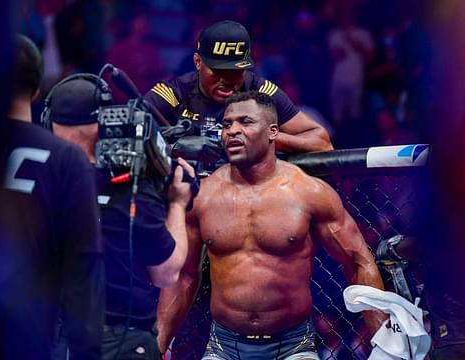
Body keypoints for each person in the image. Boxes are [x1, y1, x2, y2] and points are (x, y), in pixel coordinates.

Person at [156, 91, 386, 359]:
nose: (233, 131)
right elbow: (183, 276)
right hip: (224, 346)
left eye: (245, 122)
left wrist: (382, 340)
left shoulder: (309, 192)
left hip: (293, 346)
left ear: (273, 131)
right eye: (227, 124)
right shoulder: (203, 196)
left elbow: (358, 261)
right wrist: (159, 344)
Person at [0, 35, 104, 359]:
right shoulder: (66, 158)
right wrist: (87, 351)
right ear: (38, 89)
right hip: (27, 338)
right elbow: (83, 268)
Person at [47, 74, 196, 359]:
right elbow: (166, 274)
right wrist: (177, 202)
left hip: (48, 330)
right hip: (119, 337)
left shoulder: (34, 178)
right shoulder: (132, 186)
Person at [144, 20, 333, 164]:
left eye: (235, 72)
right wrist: (175, 147)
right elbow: (124, 137)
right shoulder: (173, 93)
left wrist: (261, 137)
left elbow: (322, 143)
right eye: (218, 71)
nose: (227, 80)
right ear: (198, 62)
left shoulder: (261, 91)